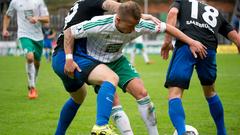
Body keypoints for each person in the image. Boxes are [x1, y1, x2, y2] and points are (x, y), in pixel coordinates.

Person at [59, 1, 207, 135]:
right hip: (96, 62)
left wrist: (191, 42)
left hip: (117, 60)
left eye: (135, 25)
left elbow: (168, 27)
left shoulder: (139, 24)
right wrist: (69, 59)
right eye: (130, 26)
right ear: (117, 19)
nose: (133, 30)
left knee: (142, 92)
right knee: (113, 101)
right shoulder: (99, 23)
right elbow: (69, 32)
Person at [52, 0, 161, 134]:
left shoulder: (81, 4)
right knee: (110, 78)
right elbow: (115, 6)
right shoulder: (94, 2)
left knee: (78, 98)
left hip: (60, 56)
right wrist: (139, 16)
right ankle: (101, 126)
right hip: (71, 56)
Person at [161, 0, 240, 135]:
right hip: (209, 50)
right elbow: (233, 34)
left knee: (175, 94)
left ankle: (182, 132)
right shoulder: (215, 12)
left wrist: (167, 41)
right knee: (210, 92)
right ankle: (222, 132)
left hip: (187, 45)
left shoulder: (183, 2)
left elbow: (173, 12)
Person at [2, 0, 49, 99]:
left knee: (37, 63)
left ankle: (33, 82)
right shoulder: (15, 2)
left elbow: (47, 19)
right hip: (24, 34)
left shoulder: (39, 2)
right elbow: (8, 15)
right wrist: (5, 29)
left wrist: (37, 18)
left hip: (38, 37)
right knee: (30, 58)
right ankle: (32, 87)